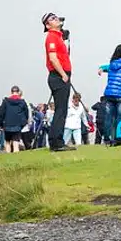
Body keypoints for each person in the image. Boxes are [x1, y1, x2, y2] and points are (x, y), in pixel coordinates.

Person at [41, 12, 74, 152]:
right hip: (58, 75)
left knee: (63, 109)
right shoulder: (51, 37)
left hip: (62, 74)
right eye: (52, 19)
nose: (57, 19)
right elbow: (53, 58)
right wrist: (63, 74)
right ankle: (55, 142)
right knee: (60, 110)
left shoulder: (59, 37)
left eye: (56, 17)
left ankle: (59, 140)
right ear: (48, 25)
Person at [2, 88, 29, 153]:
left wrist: (1, 124)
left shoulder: (6, 101)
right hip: (17, 124)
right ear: (18, 92)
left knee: (8, 141)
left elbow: (2, 113)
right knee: (16, 142)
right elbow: (26, 113)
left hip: (7, 124)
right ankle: (16, 156)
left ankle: (8, 156)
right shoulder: (22, 102)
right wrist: (24, 123)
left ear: (11, 92)